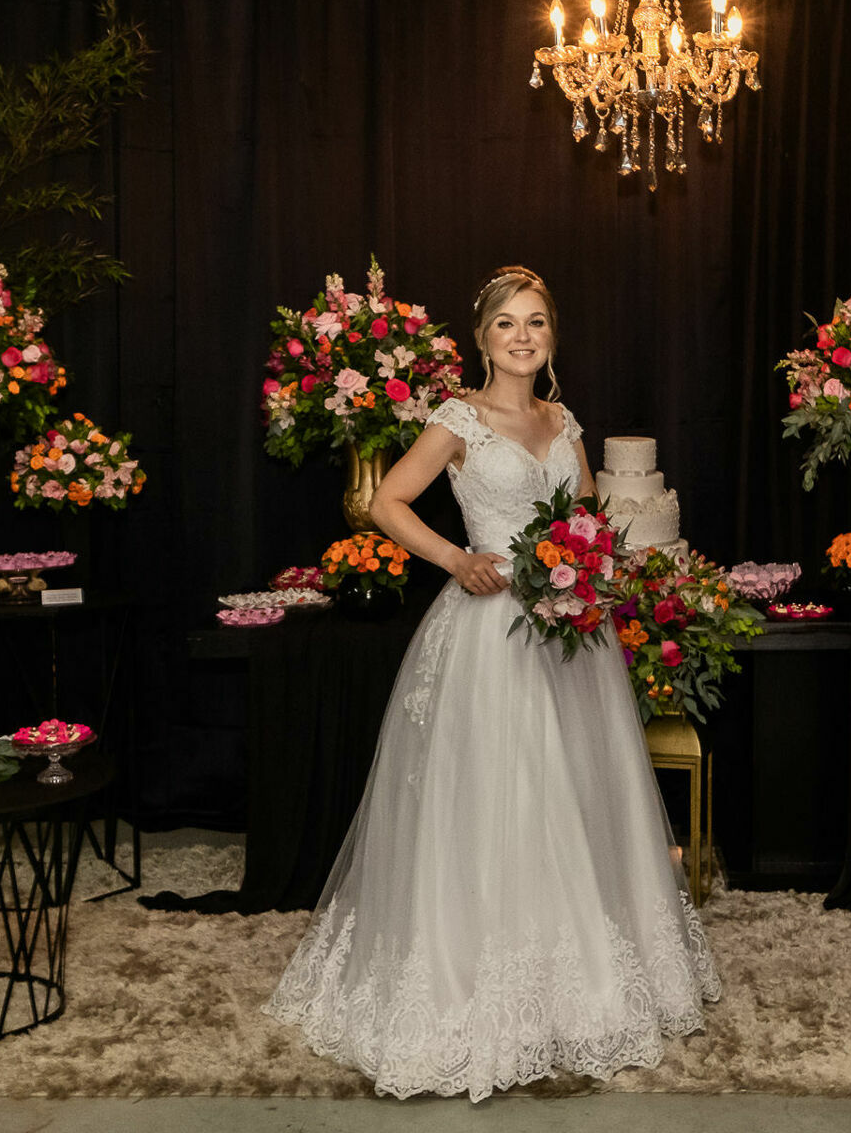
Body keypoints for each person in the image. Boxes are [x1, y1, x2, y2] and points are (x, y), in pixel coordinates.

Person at [263, 266, 720, 1101]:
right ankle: (469, 976)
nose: (522, 336)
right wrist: (456, 559)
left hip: (569, 635)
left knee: (569, 795)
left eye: (536, 323)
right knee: (492, 795)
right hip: (488, 635)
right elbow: (387, 502)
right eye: (506, 324)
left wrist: (590, 569)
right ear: (482, 340)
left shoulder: (563, 419)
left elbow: (585, 513)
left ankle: (573, 982)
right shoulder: (457, 420)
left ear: (551, 338)